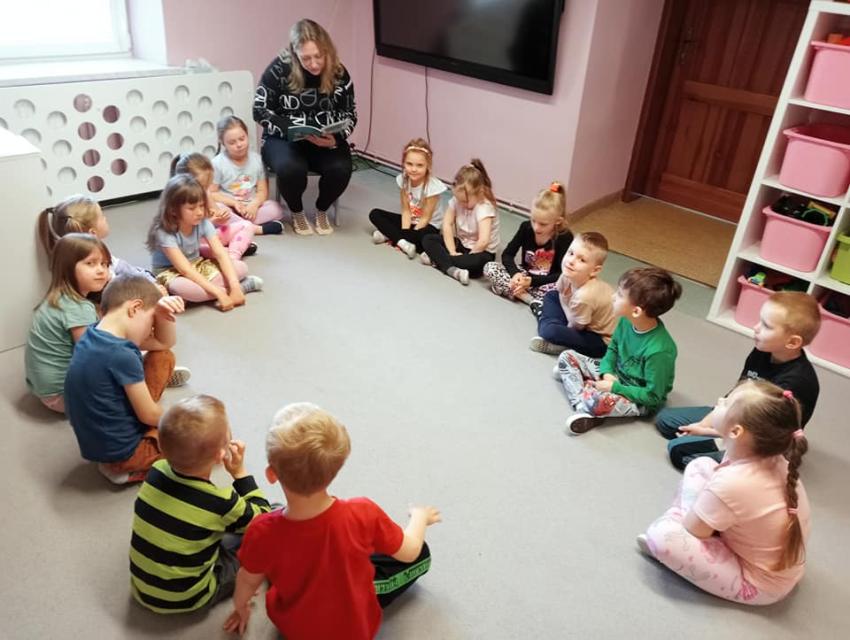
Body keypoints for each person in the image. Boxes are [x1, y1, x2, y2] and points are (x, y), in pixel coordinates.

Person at [223, 403, 440, 639]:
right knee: (421, 553)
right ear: (337, 466)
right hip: (355, 630)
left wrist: (241, 608)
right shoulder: (362, 512)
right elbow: (410, 551)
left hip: (295, 629)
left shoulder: (262, 530)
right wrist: (420, 517)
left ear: (271, 474)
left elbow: (247, 580)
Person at [639, 380, 810, 605]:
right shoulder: (773, 459)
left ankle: (675, 523)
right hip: (777, 561)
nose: (719, 401)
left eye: (726, 402)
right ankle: (705, 517)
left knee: (662, 536)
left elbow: (695, 530)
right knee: (701, 465)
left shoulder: (734, 482)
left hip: (757, 584)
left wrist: (691, 519)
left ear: (736, 431)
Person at [130, 395, 272, 612]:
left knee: (200, 525)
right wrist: (240, 474)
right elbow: (263, 518)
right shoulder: (220, 502)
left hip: (141, 590)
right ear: (220, 455)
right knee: (271, 519)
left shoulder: (156, 470)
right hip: (190, 597)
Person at [660, 291, 821, 470]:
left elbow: (757, 431)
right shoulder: (762, 350)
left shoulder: (795, 382)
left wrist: (707, 431)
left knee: (678, 450)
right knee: (666, 421)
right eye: (760, 321)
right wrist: (704, 423)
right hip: (739, 413)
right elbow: (736, 394)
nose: (756, 327)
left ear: (792, 342)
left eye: (767, 326)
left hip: (759, 439)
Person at [65, 274, 186, 484]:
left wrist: (161, 313)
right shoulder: (120, 354)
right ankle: (124, 470)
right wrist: (184, 419)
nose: (151, 331)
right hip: (124, 453)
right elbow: (149, 415)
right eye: (152, 322)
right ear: (135, 308)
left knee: (163, 357)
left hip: (104, 438)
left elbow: (164, 343)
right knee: (199, 444)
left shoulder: (93, 333)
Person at [254, 18, 357, 236]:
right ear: (295, 55)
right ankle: (297, 211)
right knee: (291, 169)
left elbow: (350, 114)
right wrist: (289, 128)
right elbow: (259, 110)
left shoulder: (339, 73)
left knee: (341, 168)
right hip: (283, 138)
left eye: (318, 56)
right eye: (306, 58)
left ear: (327, 51)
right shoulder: (279, 69)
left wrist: (336, 137)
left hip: (323, 138)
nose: (314, 64)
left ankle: (322, 209)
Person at [557, 266, 682, 435]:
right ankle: (583, 404)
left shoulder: (660, 350)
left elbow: (653, 397)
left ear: (636, 311)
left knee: (599, 400)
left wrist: (613, 388)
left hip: (637, 398)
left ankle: (582, 392)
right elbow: (613, 349)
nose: (613, 297)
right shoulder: (626, 321)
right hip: (616, 376)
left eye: (620, 295)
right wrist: (607, 372)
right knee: (567, 356)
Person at [147, 174, 263, 310]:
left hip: (197, 264)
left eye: (201, 206)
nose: (199, 212)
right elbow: (185, 270)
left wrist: (235, 286)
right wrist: (219, 293)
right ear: (173, 210)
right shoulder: (164, 232)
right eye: (192, 208)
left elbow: (220, 254)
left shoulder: (202, 222)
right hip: (171, 272)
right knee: (186, 289)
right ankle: (243, 287)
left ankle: (197, 297)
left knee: (241, 267)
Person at [24, 233, 110, 412]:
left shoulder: (57, 298)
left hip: (43, 390)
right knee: (128, 365)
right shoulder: (78, 308)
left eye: (105, 264)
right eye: (90, 263)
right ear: (67, 267)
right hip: (63, 396)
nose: (102, 270)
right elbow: (94, 356)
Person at [483, 182, 572, 310]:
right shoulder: (526, 227)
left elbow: (563, 273)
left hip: (546, 282)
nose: (536, 227)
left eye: (543, 224)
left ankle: (514, 292)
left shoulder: (564, 237)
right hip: (524, 276)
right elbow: (508, 254)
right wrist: (515, 274)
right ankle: (528, 298)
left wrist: (532, 281)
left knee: (565, 291)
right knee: (490, 267)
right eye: (533, 220)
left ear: (558, 221)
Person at [37, 194, 158, 285]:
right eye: (101, 216)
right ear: (92, 234)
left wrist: (149, 280)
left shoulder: (97, 256)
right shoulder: (97, 269)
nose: (105, 218)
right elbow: (122, 288)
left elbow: (124, 268)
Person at [529, 232, 615, 357]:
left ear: (594, 270)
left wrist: (563, 331)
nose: (571, 261)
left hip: (599, 339)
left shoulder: (585, 295)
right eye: (571, 253)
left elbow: (576, 327)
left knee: (550, 331)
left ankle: (547, 323)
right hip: (576, 315)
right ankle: (548, 320)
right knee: (551, 295)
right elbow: (559, 295)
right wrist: (567, 308)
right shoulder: (567, 274)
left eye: (582, 260)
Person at [421, 159, 501, 285]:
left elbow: (483, 241)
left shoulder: (484, 207)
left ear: (479, 193)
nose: (462, 204)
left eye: (465, 201)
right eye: (459, 200)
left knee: (477, 264)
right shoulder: (457, 200)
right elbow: (447, 224)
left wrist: (466, 257)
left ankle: (437, 259)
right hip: (462, 244)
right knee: (428, 239)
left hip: (480, 251)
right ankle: (451, 268)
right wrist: (452, 251)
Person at [171, 152, 259, 260]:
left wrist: (221, 217)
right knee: (211, 250)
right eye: (203, 186)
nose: (205, 190)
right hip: (193, 245)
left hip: (211, 238)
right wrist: (211, 222)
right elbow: (185, 234)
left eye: (207, 186)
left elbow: (216, 214)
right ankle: (233, 252)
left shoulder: (205, 193)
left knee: (247, 226)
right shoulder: (178, 200)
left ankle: (233, 254)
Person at [369, 138, 447, 258]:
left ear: (428, 166)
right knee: (375, 214)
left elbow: (425, 218)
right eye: (409, 164)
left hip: (428, 225)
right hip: (411, 221)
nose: (414, 169)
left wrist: (409, 234)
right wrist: (406, 232)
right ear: (403, 163)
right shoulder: (404, 180)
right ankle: (402, 243)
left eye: (420, 165)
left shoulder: (433, 187)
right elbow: (406, 211)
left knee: (426, 240)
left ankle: (390, 235)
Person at [209, 116, 285, 237]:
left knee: (276, 208)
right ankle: (256, 229)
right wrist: (234, 203)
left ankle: (237, 225)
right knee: (217, 209)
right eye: (232, 142)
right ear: (223, 143)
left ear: (247, 135)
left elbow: (262, 191)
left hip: (252, 208)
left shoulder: (257, 160)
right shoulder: (217, 163)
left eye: (242, 139)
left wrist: (254, 205)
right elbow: (212, 193)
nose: (239, 145)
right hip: (230, 208)